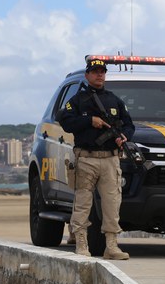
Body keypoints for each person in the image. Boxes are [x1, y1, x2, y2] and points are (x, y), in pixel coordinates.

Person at [56, 58, 135, 260]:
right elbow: (65, 121)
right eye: (95, 71)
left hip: (110, 159)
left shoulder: (114, 100)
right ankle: (81, 243)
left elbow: (129, 125)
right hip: (87, 158)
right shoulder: (77, 100)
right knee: (83, 203)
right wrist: (89, 120)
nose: (99, 75)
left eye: (102, 72)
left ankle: (111, 246)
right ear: (87, 75)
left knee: (112, 203)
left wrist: (124, 136)